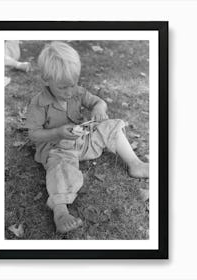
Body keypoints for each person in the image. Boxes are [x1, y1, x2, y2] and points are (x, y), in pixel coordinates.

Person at [26, 41, 149, 233]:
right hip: (58, 147)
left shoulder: (78, 92)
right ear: (46, 79)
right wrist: (57, 133)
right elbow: (33, 134)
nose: (69, 92)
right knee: (59, 167)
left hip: (83, 140)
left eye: (72, 85)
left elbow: (99, 102)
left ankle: (135, 164)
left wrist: (99, 108)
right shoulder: (38, 104)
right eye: (62, 87)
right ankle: (60, 210)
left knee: (111, 125)